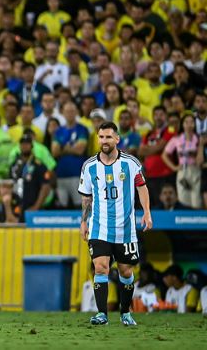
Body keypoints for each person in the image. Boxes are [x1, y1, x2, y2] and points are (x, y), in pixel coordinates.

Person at [78, 121, 153, 326]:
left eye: (108, 137)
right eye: (101, 137)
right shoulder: (89, 166)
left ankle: (125, 313)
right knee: (100, 268)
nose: (104, 141)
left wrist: (146, 213)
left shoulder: (130, 163)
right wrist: (83, 222)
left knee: (125, 272)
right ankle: (102, 314)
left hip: (125, 229)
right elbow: (86, 198)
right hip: (99, 227)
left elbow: (142, 188)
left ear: (117, 139)